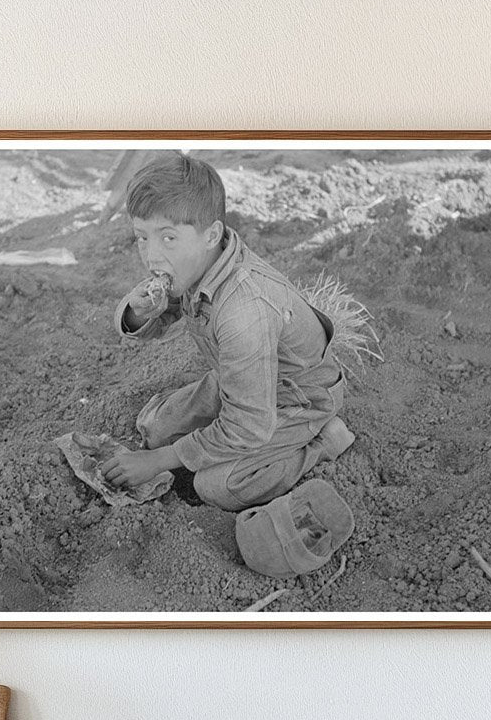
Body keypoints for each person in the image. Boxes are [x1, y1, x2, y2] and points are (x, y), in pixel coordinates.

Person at [99, 153, 354, 511]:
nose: (152, 256)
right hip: (240, 379)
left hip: (297, 397)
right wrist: (138, 312)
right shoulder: (198, 262)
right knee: (154, 428)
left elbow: (248, 425)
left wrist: (159, 462)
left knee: (219, 486)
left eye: (168, 238)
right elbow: (160, 317)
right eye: (142, 238)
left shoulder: (244, 310)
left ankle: (323, 442)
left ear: (212, 234)